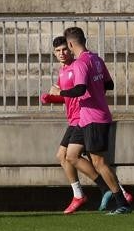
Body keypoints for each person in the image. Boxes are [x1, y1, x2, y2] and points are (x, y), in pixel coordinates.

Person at [41, 35, 123, 214]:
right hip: (75, 118)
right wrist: (51, 98)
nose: (62, 53)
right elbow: (69, 97)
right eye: (58, 51)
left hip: (83, 118)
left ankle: (107, 192)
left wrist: (59, 93)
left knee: (79, 157)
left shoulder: (78, 66)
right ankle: (106, 191)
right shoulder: (63, 71)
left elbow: (80, 90)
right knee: (73, 157)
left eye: (64, 49)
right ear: (54, 53)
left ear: (70, 47)